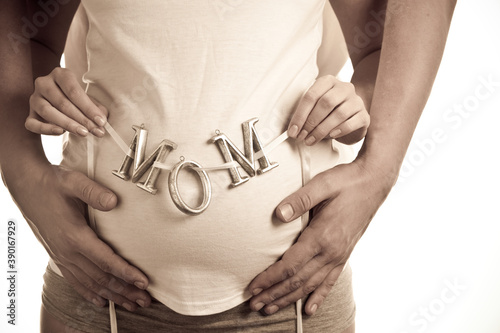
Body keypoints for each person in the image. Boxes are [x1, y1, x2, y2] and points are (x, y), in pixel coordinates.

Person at [0, 0, 457, 332]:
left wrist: (378, 163)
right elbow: (27, 33)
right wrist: (24, 175)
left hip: (294, 302)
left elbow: (379, 52)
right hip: (97, 298)